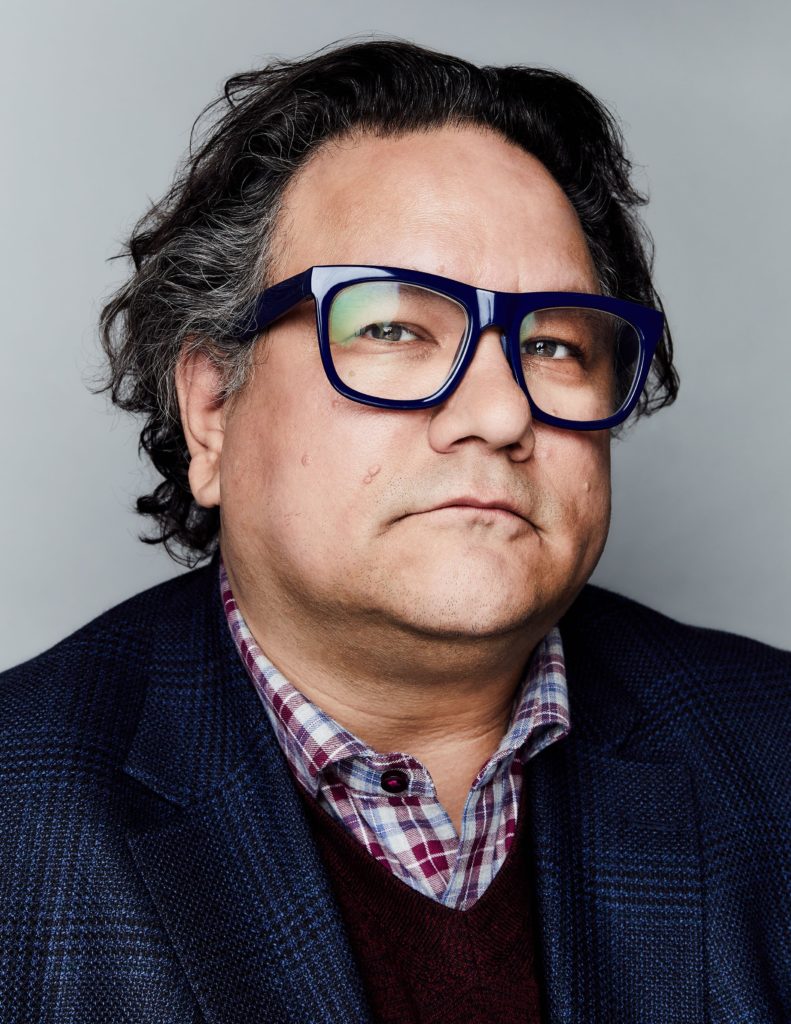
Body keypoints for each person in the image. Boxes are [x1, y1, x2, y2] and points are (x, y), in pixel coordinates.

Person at [0, 38, 788, 1024]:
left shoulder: (770, 754)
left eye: (550, 344)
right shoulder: (18, 818)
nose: (499, 415)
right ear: (210, 407)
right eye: (391, 329)